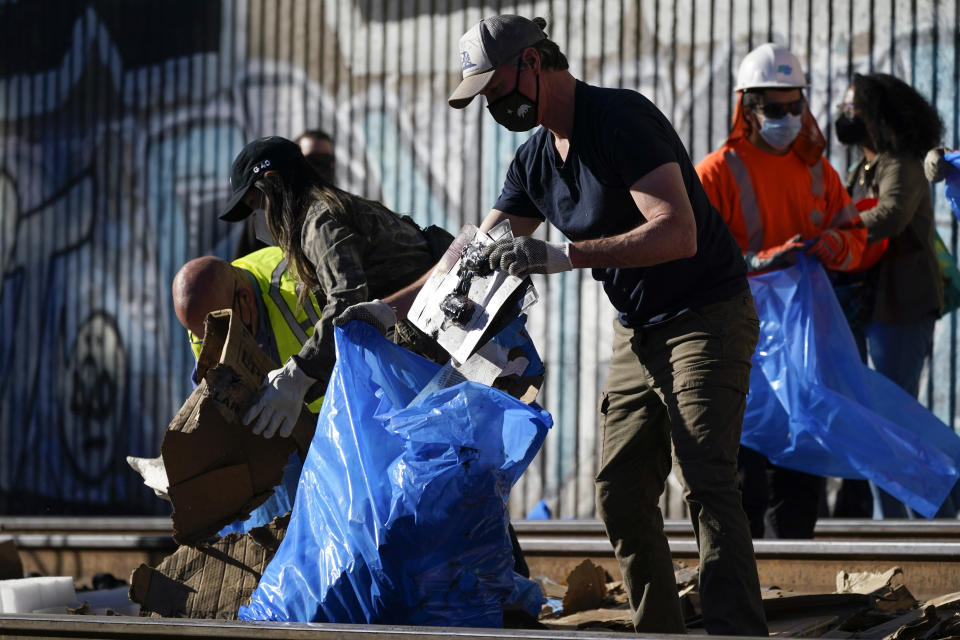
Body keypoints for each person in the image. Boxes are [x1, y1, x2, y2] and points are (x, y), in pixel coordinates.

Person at [387, 13, 767, 635]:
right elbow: (474, 257)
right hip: (639, 328)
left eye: (495, 87)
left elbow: (678, 231)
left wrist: (568, 256)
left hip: (706, 315)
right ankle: (660, 630)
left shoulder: (620, 120)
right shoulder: (535, 159)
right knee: (619, 492)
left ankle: (736, 632)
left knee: (705, 477)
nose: (494, 104)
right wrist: (391, 308)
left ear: (533, 63)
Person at [695, 43, 868, 539]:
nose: (789, 118)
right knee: (746, 464)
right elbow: (696, 255)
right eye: (776, 109)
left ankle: (793, 565)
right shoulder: (716, 173)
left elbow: (855, 237)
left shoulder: (818, 171)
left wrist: (836, 244)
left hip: (803, 344)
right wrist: (757, 262)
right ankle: (744, 583)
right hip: (740, 340)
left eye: (796, 106)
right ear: (747, 109)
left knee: (800, 466)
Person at [218, 136, 451, 440]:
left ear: (272, 184)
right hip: (430, 351)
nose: (256, 217)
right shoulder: (325, 211)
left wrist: (299, 374)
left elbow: (346, 300)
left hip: (437, 353)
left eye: (255, 203)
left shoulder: (319, 221)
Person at [833, 72, 950, 518]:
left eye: (854, 108)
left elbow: (890, 216)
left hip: (899, 308)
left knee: (896, 418)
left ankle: (924, 519)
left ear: (878, 114)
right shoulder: (859, 168)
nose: (846, 115)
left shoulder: (901, 162)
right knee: (873, 419)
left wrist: (835, 228)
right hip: (862, 306)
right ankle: (896, 521)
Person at [171, 247, 325, 532]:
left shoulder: (299, 288)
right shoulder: (206, 321)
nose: (212, 341)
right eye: (200, 335)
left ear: (244, 300)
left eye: (223, 329)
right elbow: (215, 401)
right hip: (287, 439)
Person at [231, 130, 337, 260]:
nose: (320, 166)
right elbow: (242, 270)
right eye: (312, 159)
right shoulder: (264, 213)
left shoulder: (341, 208)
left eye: (326, 159)